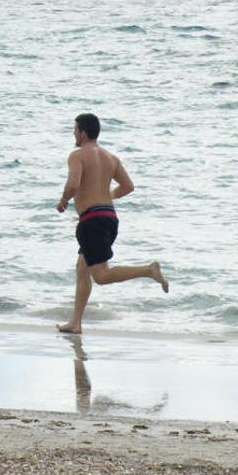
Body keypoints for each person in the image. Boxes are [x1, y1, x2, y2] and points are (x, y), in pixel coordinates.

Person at [56, 113, 168, 334]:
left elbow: (73, 184)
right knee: (82, 269)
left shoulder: (77, 155)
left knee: (101, 276)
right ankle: (76, 323)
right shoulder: (111, 157)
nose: (73, 134)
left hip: (92, 221)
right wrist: (104, 198)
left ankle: (148, 270)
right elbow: (128, 186)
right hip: (109, 217)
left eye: (75, 130)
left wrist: (64, 200)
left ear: (83, 133)